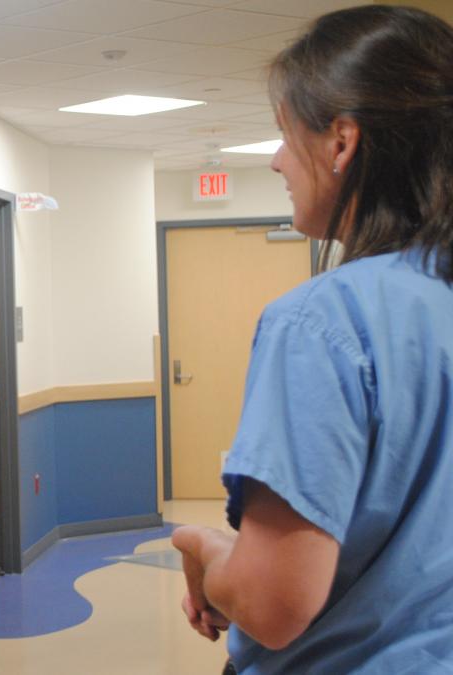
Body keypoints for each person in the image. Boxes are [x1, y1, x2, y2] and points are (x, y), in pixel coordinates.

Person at [171, 5, 453, 672]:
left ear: (341, 141)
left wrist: (208, 553)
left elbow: (272, 605)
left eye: (282, 133)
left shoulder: (323, 322)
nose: (275, 161)